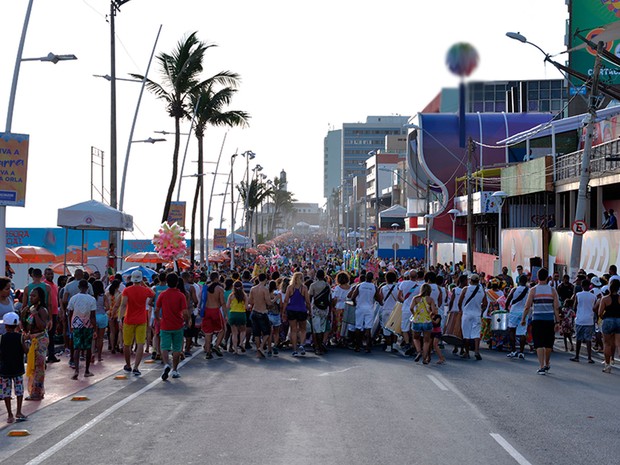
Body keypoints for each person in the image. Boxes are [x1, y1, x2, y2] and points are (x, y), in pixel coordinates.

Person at [522, 268, 561, 375]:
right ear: (547, 277)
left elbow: (527, 306)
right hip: (549, 320)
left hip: (537, 319)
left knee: (538, 343)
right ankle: (547, 362)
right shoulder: (552, 290)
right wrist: (557, 322)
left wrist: (523, 319)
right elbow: (556, 307)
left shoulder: (533, 290)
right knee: (548, 343)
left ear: (537, 277)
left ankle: (541, 366)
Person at [119, 270, 155, 376]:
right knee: (140, 344)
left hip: (128, 319)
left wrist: (119, 318)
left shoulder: (127, 290)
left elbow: (123, 305)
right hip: (141, 320)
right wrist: (143, 284)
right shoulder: (145, 290)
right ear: (141, 279)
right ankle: (136, 367)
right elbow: (152, 294)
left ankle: (128, 364)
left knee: (127, 344)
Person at [156, 273, 188, 380]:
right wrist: (187, 321)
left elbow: (156, 309)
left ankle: (166, 364)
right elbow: (185, 311)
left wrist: (158, 319)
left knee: (164, 347)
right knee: (177, 348)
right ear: (177, 283)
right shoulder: (181, 296)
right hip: (178, 325)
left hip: (165, 325)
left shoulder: (162, 295)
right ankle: (174, 370)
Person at [0, 312, 28, 424]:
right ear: (16, 325)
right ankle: (19, 411)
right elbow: (26, 351)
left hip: (4, 370)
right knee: (19, 391)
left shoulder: (1, 338)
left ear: (5, 326)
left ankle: (10, 414)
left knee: (6, 393)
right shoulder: (20, 337)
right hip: (18, 369)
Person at [23, 287, 49, 400]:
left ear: (39, 298)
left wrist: (36, 315)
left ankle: (37, 392)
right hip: (32, 339)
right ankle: (33, 390)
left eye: (34, 296)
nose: (31, 297)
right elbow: (26, 326)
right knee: (33, 365)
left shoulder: (42, 310)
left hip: (41, 339)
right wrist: (23, 315)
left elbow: (42, 326)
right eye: (30, 295)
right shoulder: (30, 308)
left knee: (39, 366)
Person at [67, 279, 97, 380]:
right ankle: (87, 371)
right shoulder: (92, 299)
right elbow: (93, 316)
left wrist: (71, 325)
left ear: (79, 287)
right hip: (88, 324)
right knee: (88, 347)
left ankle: (76, 370)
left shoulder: (73, 298)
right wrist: (95, 328)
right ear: (87, 288)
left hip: (76, 324)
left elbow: (70, 312)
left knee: (77, 347)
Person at [349, 272, 383, 353]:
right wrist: (380, 302)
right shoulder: (374, 287)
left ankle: (357, 346)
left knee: (358, 327)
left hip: (360, 308)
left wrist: (355, 303)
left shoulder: (359, 286)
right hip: (369, 309)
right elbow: (378, 298)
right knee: (368, 328)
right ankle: (367, 347)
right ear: (372, 279)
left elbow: (353, 296)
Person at [458, 273, 487, 361]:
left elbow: (459, 302)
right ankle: (477, 351)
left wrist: (461, 310)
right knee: (476, 334)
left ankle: (467, 353)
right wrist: (481, 311)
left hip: (466, 314)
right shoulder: (482, 290)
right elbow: (485, 303)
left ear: (470, 280)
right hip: (477, 314)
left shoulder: (465, 289)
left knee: (466, 334)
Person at [282, 272, 310, 357]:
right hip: (302, 310)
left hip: (291, 310)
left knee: (293, 330)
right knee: (303, 329)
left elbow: (286, 300)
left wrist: (283, 311)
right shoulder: (304, 288)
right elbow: (307, 301)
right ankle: (301, 344)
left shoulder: (290, 288)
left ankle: (294, 349)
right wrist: (310, 310)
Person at [200, 272, 226, 359]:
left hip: (207, 310)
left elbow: (202, 298)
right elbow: (222, 302)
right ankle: (216, 345)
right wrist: (225, 315)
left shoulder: (205, 287)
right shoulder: (219, 288)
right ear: (216, 278)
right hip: (215, 310)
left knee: (208, 333)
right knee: (222, 329)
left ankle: (208, 352)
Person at [570, 279, 597, 364]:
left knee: (579, 338)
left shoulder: (578, 295)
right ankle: (589, 357)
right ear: (589, 286)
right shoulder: (593, 296)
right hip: (589, 319)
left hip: (580, 319)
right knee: (588, 339)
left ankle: (577, 356)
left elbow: (574, 306)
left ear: (582, 286)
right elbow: (595, 307)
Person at [410, 283, 437, 364]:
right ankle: (424, 359)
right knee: (426, 341)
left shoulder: (415, 298)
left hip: (417, 320)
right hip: (427, 321)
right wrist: (430, 314)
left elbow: (411, 308)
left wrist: (414, 313)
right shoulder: (430, 299)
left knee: (416, 338)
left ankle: (419, 351)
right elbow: (434, 311)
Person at [248, 273, 273, 358]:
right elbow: (269, 303)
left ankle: (259, 352)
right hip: (262, 312)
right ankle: (261, 347)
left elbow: (250, 301)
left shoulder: (253, 288)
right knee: (267, 331)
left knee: (256, 333)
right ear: (265, 280)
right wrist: (275, 299)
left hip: (254, 311)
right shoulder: (265, 289)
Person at [598, 279, 620, 373]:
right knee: (618, 344)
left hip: (608, 320)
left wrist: (604, 318)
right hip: (619, 320)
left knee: (607, 344)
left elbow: (600, 312)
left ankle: (607, 366)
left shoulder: (605, 298)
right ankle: (614, 360)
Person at [505, 274, 529, 359]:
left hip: (514, 312)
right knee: (522, 332)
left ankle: (513, 350)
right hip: (524, 313)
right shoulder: (528, 290)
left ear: (519, 281)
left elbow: (508, 299)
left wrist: (506, 308)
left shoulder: (514, 289)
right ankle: (521, 352)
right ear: (526, 281)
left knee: (512, 331)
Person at [308, 269, 331, 355]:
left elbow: (309, 298)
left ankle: (317, 347)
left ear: (317, 276)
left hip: (315, 309)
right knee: (321, 329)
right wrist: (329, 311)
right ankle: (321, 346)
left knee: (315, 330)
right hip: (324, 310)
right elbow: (330, 300)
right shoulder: (327, 285)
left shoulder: (313, 285)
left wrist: (308, 309)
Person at [43, 268, 61, 363]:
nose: (51, 275)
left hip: (54, 313)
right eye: (48, 274)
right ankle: (45, 356)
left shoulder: (55, 286)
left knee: (52, 335)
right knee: (45, 336)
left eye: (51, 274)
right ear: (44, 274)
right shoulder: (44, 285)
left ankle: (51, 355)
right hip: (46, 314)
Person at [227, 281, 248, 355]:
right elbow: (246, 307)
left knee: (234, 333)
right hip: (241, 314)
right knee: (243, 330)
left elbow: (227, 306)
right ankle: (241, 343)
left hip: (233, 314)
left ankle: (235, 349)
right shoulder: (244, 296)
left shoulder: (231, 295)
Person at [380, 271, 399, 353]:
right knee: (395, 329)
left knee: (386, 329)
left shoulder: (383, 288)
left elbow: (380, 300)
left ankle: (388, 346)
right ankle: (394, 345)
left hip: (385, 310)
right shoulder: (398, 287)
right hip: (395, 310)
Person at [92, 280, 109, 363]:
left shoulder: (91, 296)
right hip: (102, 316)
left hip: (93, 317)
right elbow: (108, 307)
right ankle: (99, 356)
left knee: (93, 338)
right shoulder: (104, 296)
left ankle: (92, 354)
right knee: (100, 338)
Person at [107, 279, 122, 354]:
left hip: (110, 313)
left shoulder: (108, 294)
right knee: (119, 331)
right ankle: (118, 345)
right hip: (118, 313)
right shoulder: (120, 294)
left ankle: (112, 346)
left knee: (112, 332)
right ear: (118, 286)